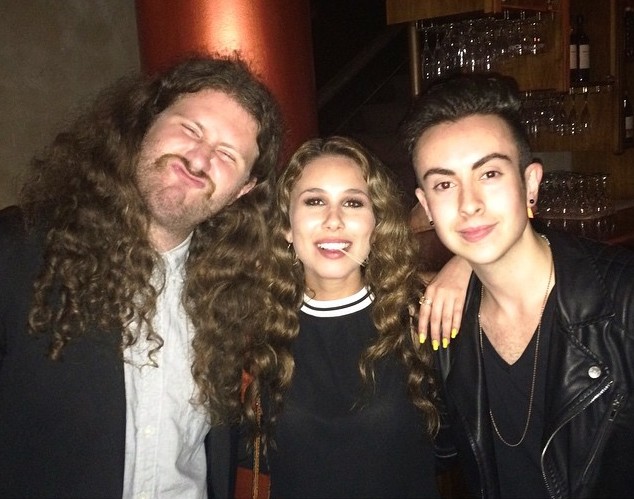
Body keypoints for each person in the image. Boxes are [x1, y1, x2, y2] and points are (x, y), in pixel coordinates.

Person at [0, 54, 283, 498]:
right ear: (145, 123)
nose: (199, 159)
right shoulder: (16, 252)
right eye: (191, 129)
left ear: (242, 191)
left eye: (227, 155)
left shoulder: (236, 294)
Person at [402, 73, 634, 498]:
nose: (469, 204)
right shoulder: (444, 329)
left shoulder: (623, 302)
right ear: (426, 207)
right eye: (445, 184)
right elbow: (433, 450)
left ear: (530, 184)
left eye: (489, 173)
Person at [239, 136, 443, 498]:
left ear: (376, 224)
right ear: (286, 226)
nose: (333, 220)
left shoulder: (424, 316)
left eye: (352, 202)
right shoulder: (252, 327)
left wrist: (467, 270)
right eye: (314, 201)